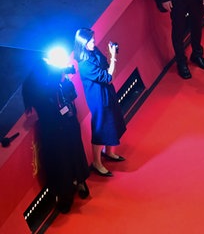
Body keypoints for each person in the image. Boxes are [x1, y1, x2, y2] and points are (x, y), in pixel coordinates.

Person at [22, 50, 90, 213]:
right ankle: (68, 192)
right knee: (64, 160)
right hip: (56, 128)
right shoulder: (39, 85)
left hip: (60, 125)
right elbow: (50, 98)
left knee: (69, 156)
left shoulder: (37, 83)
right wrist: (60, 78)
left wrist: (64, 79)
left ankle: (76, 185)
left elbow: (70, 95)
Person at [74, 28, 127, 177]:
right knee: (100, 127)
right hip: (98, 99)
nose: (94, 42)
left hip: (108, 93)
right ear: (83, 43)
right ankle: (97, 162)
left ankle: (108, 152)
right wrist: (113, 57)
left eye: (93, 39)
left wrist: (111, 60)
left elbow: (109, 72)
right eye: (90, 40)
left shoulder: (94, 51)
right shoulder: (84, 64)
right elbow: (108, 76)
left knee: (113, 121)